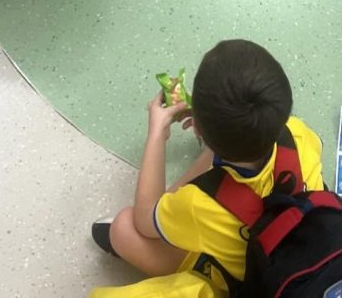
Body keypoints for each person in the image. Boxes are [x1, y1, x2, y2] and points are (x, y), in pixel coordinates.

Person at [90, 39, 324, 286]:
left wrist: (157, 134)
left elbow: (144, 220)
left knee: (122, 230)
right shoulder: (298, 131)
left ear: (198, 128)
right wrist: (213, 129)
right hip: (306, 244)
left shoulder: (197, 203)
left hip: (250, 276)